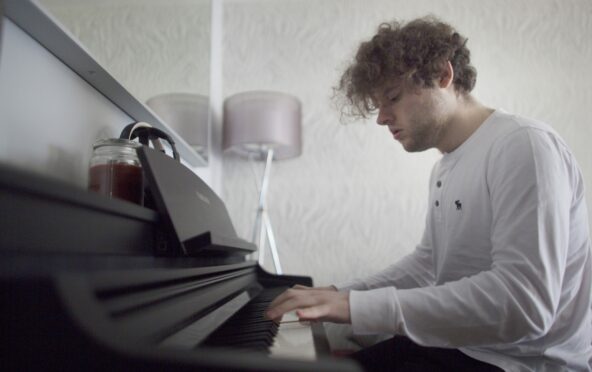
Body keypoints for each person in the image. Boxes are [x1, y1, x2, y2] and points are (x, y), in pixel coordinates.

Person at [265, 16, 592, 372]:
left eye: (392, 97)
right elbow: (427, 264)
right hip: (465, 349)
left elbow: (524, 304)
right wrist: (341, 294)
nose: (381, 118)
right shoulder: (445, 167)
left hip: (523, 364)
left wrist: (355, 308)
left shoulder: (522, 145)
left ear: (443, 75)